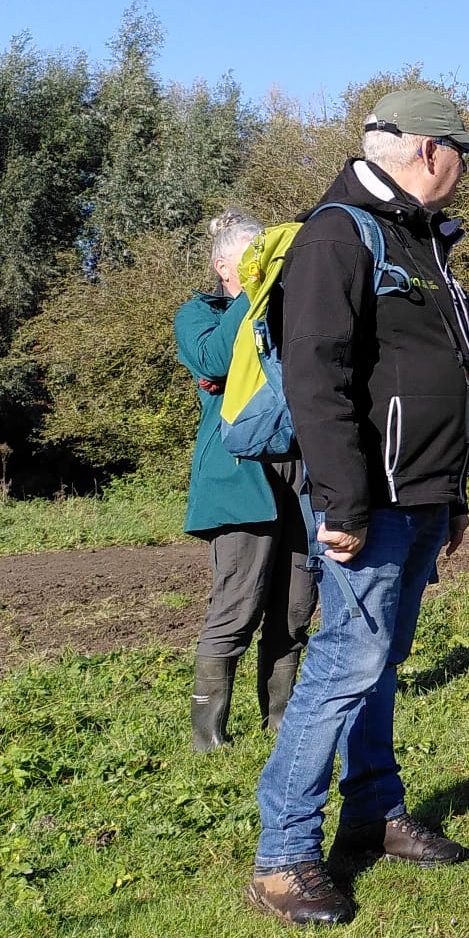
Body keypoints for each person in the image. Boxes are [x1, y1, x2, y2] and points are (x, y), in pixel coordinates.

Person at [247, 87, 469, 927]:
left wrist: (452, 494)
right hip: (371, 501)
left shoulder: (416, 239)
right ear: (429, 151)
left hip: (421, 493)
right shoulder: (336, 234)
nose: (465, 171)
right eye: (461, 153)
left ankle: (372, 813)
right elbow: (319, 383)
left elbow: (446, 378)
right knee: (345, 667)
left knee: (380, 662)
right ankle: (282, 857)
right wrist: (343, 504)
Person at [174, 210, 316, 752]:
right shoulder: (198, 314)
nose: (264, 267)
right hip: (238, 478)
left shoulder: (287, 309)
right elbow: (211, 357)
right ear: (222, 265)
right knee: (238, 604)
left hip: (300, 470)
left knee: (296, 606)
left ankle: (281, 720)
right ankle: (208, 739)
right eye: (250, 259)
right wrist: (248, 301)